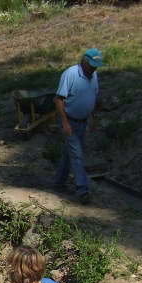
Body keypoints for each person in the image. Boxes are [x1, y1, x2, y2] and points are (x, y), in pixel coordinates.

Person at [53, 48, 104, 204]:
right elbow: (59, 100)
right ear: (84, 61)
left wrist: (93, 117)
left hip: (83, 121)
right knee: (77, 155)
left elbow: (94, 96)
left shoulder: (94, 75)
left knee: (69, 155)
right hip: (69, 120)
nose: (94, 69)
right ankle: (83, 191)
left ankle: (58, 183)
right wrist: (66, 123)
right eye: (92, 65)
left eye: (96, 66)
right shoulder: (71, 74)